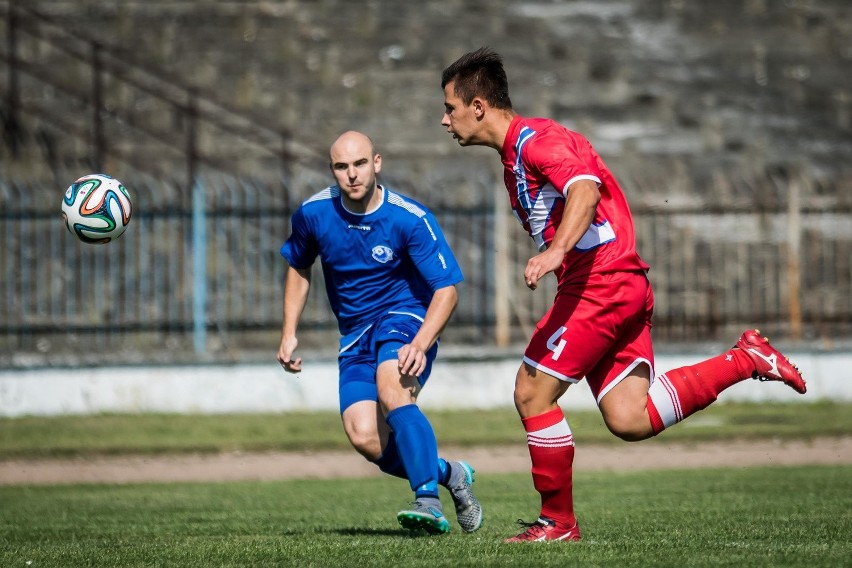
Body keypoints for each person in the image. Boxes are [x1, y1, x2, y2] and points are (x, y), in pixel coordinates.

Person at [439, 47, 807, 543]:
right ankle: (746, 360)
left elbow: (585, 191)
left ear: (478, 106)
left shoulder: (536, 141)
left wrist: (555, 252)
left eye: (450, 108)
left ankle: (558, 524)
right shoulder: (519, 153)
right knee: (630, 417)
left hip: (601, 284)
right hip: (618, 282)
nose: (445, 120)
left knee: (531, 393)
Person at [277, 130, 483, 535]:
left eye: (359, 163)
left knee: (393, 391)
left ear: (376, 163)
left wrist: (421, 343)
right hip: (354, 336)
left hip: (404, 317)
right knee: (365, 437)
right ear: (332, 170)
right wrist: (288, 332)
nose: (351, 174)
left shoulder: (410, 218)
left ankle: (427, 500)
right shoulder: (312, 214)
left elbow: (447, 290)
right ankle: (448, 473)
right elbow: (299, 266)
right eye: (341, 166)